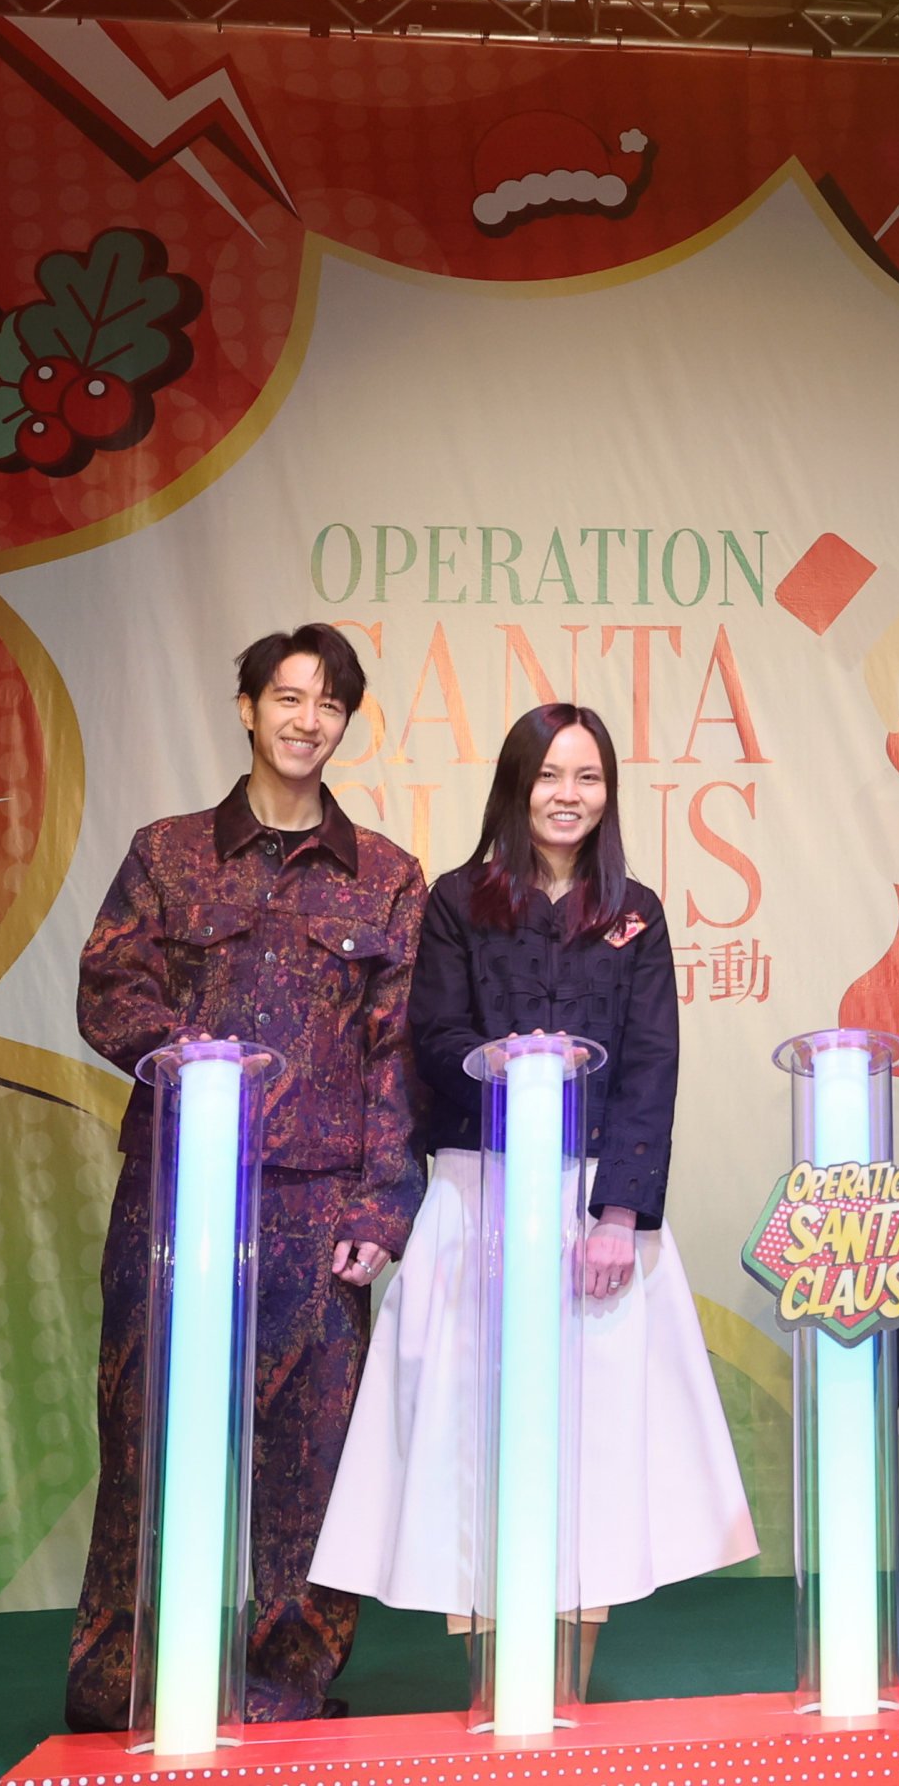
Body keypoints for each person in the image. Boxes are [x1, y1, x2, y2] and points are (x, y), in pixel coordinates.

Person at [313, 703, 754, 1695]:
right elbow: (430, 1041)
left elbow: (652, 1064)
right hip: (480, 1199)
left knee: (588, 1449)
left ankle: (568, 1697)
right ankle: (491, 1695)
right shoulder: (459, 902)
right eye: (550, 775)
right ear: (517, 785)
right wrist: (492, 1060)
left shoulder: (633, 908)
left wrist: (619, 1218)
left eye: (588, 778)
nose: (569, 795)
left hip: (595, 1203)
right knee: (475, 1438)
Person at [67, 625, 421, 1732]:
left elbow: (397, 1053)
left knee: (308, 1453)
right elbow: (108, 987)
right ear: (247, 707)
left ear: (346, 724)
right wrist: (190, 1058)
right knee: (144, 1426)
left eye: (328, 705)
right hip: (178, 1187)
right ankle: (122, 1675)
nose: (306, 720)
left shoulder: (388, 878)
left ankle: (284, 1680)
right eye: (286, 697)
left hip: (319, 1208)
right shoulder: (168, 852)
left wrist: (381, 1209)